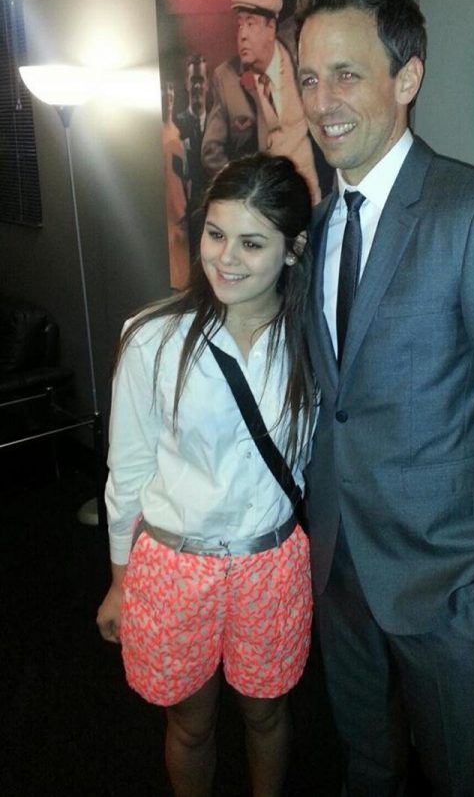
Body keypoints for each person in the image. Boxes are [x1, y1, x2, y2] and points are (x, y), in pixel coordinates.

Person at [294, 0, 474, 796]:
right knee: (366, 766)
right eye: (308, 78)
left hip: (449, 593)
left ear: (406, 78)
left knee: (459, 780)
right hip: (341, 571)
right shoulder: (320, 224)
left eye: (345, 74)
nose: (321, 100)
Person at [96, 153, 315, 797]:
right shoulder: (153, 339)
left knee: (266, 715)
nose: (225, 258)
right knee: (189, 725)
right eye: (215, 234)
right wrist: (119, 583)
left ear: (293, 249)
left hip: (270, 563)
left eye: (252, 242)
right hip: (172, 565)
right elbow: (128, 469)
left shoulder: (313, 342)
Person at [201, 0, 321, 203]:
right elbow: (211, 152)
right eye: (239, 25)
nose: (242, 35)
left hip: (312, 205)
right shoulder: (225, 78)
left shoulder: (300, 56)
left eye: (251, 24)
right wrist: (242, 196)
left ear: (271, 28)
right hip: (264, 214)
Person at [175, 53, 210, 256]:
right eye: (193, 81)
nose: (197, 87)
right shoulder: (176, 125)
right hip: (187, 213)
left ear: (207, 84)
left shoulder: (219, 121)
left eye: (201, 80)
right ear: (187, 85)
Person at [161, 78, 190, 288]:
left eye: (170, 88)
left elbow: (185, 177)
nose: (167, 94)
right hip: (165, 222)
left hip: (182, 221)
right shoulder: (154, 136)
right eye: (163, 88)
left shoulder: (180, 134)